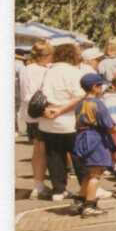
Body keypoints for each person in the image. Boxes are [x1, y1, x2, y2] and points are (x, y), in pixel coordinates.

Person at [38, 41, 88, 201]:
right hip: (69, 121)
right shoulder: (74, 72)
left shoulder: (47, 71)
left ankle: (58, 190)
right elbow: (79, 96)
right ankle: (86, 189)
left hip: (48, 121)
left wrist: (51, 110)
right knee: (78, 156)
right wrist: (59, 110)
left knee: (54, 156)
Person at [72, 73, 116, 218]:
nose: (102, 88)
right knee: (95, 174)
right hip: (95, 138)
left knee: (88, 174)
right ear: (95, 87)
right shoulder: (97, 103)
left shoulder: (80, 103)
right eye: (100, 86)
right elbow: (109, 124)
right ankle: (90, 205)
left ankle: (80, 201)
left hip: (82, 137)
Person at [17, 41, 53, 198]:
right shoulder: (43, 71)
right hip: (40, 113)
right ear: (44, 56)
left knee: (37, 150)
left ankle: (38, 184)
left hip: (28, 113)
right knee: (43, 150)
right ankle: (39, 186)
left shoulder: (26, 69)